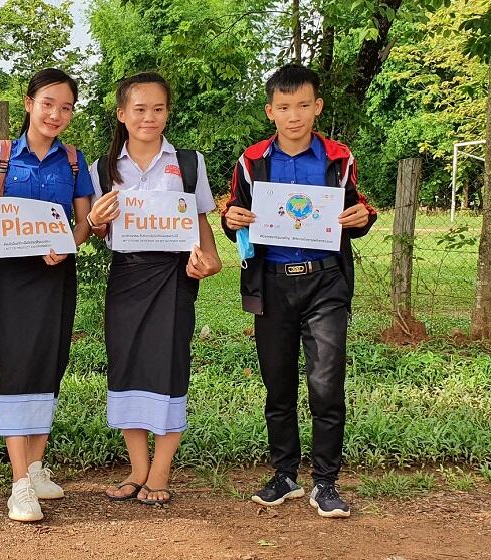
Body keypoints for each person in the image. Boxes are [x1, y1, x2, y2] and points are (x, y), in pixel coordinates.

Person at [221, 63, 376, 518]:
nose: (295, 115)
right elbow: (237, 213)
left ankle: (326, 482)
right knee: (278, 383)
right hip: (271, 282)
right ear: (271, 111)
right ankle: (284, 474)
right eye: (285, 107)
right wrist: (233, 220)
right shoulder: (252, 161)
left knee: (326, 383)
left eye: (304, 105)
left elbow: (357, 207)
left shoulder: (338, 157)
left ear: (317, 107)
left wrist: (362, 217)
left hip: (326, 280)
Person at [0, 68, 94, 522]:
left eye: (66, 107)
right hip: (12, 278)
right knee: (17, 367)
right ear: (28, 103)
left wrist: (69, 244)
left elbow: (85, 225)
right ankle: (19, 483)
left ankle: (37, 467)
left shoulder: (74, 161)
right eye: (48, 103)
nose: (56, 114)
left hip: (57, 276)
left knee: (50, 362)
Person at [86, 72, 221, 506]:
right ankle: (138, 469)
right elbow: (94, 233)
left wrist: (211, 258)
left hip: (175, 277)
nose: (149, 117)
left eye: (158, 109)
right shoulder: (102, 169)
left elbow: (200, 220)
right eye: (139, 109)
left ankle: (160, 473)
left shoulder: (188, 162)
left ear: (168, 112)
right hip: (126, 275)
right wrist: (97, 221)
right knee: (126, 366)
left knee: (169, 365)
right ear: (122, 114)